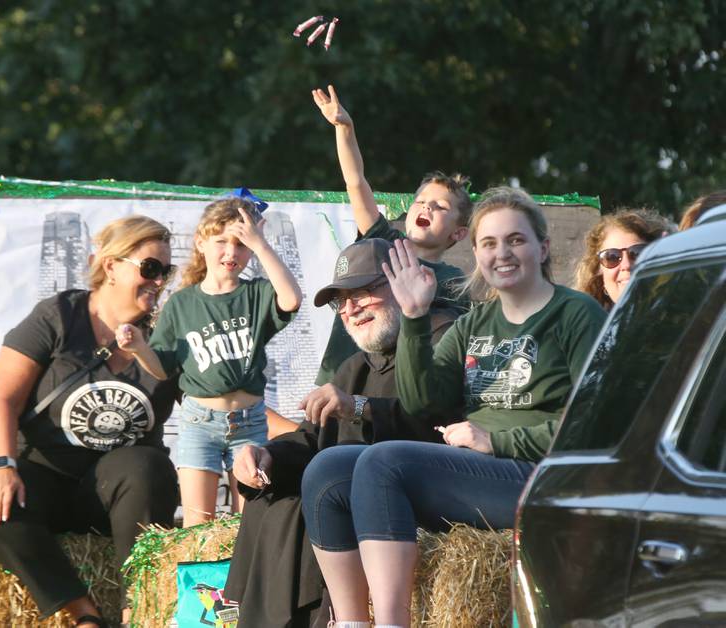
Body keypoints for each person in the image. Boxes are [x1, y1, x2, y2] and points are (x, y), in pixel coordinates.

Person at [300, 187, 608, 627]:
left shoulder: (575, 315)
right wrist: (413, 314)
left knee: (384, 462)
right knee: (328, 471)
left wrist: (495, 439)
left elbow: (594, 425)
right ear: (476, 254)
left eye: (515, 240)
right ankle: (352, 622)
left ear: (543, 247)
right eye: (488, 243)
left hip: (543, 477)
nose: (501, 253)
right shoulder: (473, 324)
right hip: (479, 474)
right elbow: (423, 402)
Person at [223, 238, 456, 628]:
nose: (350, 309)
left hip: (410, 497)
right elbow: (311, 440)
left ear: (404, 285)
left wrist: (359, 407)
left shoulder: (444, 342)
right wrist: (265, 456)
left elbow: (436, 423)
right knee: (272, 497)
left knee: (313, 499)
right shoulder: (353, 365)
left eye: (364, 293)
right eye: (341, 301)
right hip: (345, 494)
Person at [0, 215, 181, 627]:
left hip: (113, 493)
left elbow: (220, 401)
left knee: (146, 465)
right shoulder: (60, 315)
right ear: (111, 265)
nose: (158, 281)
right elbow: (4, 397)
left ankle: (138, 609)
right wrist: (3, 466)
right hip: (40, 477)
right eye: (150, 268)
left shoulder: (166, 336)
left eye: (165, 272)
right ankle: (84, 615)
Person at [117, 197, 302, 527]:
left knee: (248, 524)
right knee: (197, 525)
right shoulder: (182, 303)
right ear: (201, 242)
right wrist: (139, 348)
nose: (231, 253)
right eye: (221, 242)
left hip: (249, 423)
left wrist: (260, 245)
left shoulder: (256, 293)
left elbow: (291, 299)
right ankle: (202, 580)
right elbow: (163, 367)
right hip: (199, 422)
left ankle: (242, 580)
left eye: (240, 245)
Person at [312, 84, 472, 385]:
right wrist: (344, 129)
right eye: (421, 202)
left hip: (392, 392)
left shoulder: (455, 283)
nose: (426, 208)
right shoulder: (383, 243)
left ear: (460, 233)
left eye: (439, 206)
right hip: (339, 380)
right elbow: (356, 182)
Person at [574, 207, 675, 309]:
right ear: (598, 269)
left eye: (637, 253)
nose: (626, 265)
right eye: (611, 257)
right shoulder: (585, 322)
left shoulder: (685, 319)